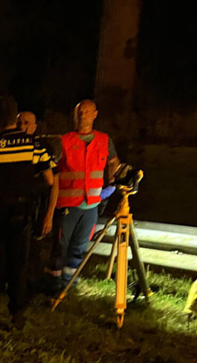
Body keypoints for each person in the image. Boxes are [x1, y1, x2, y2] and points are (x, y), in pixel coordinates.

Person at [0, 96, 58, 327]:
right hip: (21, 214)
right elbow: (49, 179)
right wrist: (27, 190)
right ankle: (17, 313)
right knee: (19, 265)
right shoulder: (35, 146)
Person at [50, 100, 121, 291]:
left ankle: (70, 283)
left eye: (87, 112)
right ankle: (54, 284)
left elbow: (114, 162)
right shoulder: (64, 141)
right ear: (74, 115)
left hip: (91, 206)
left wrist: (112, 185)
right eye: (79, 112)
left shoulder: (104, 140)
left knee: (79, 247)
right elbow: (51, 172)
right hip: (67, 205)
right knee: (60, 246)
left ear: (95, 114)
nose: (83, 116)